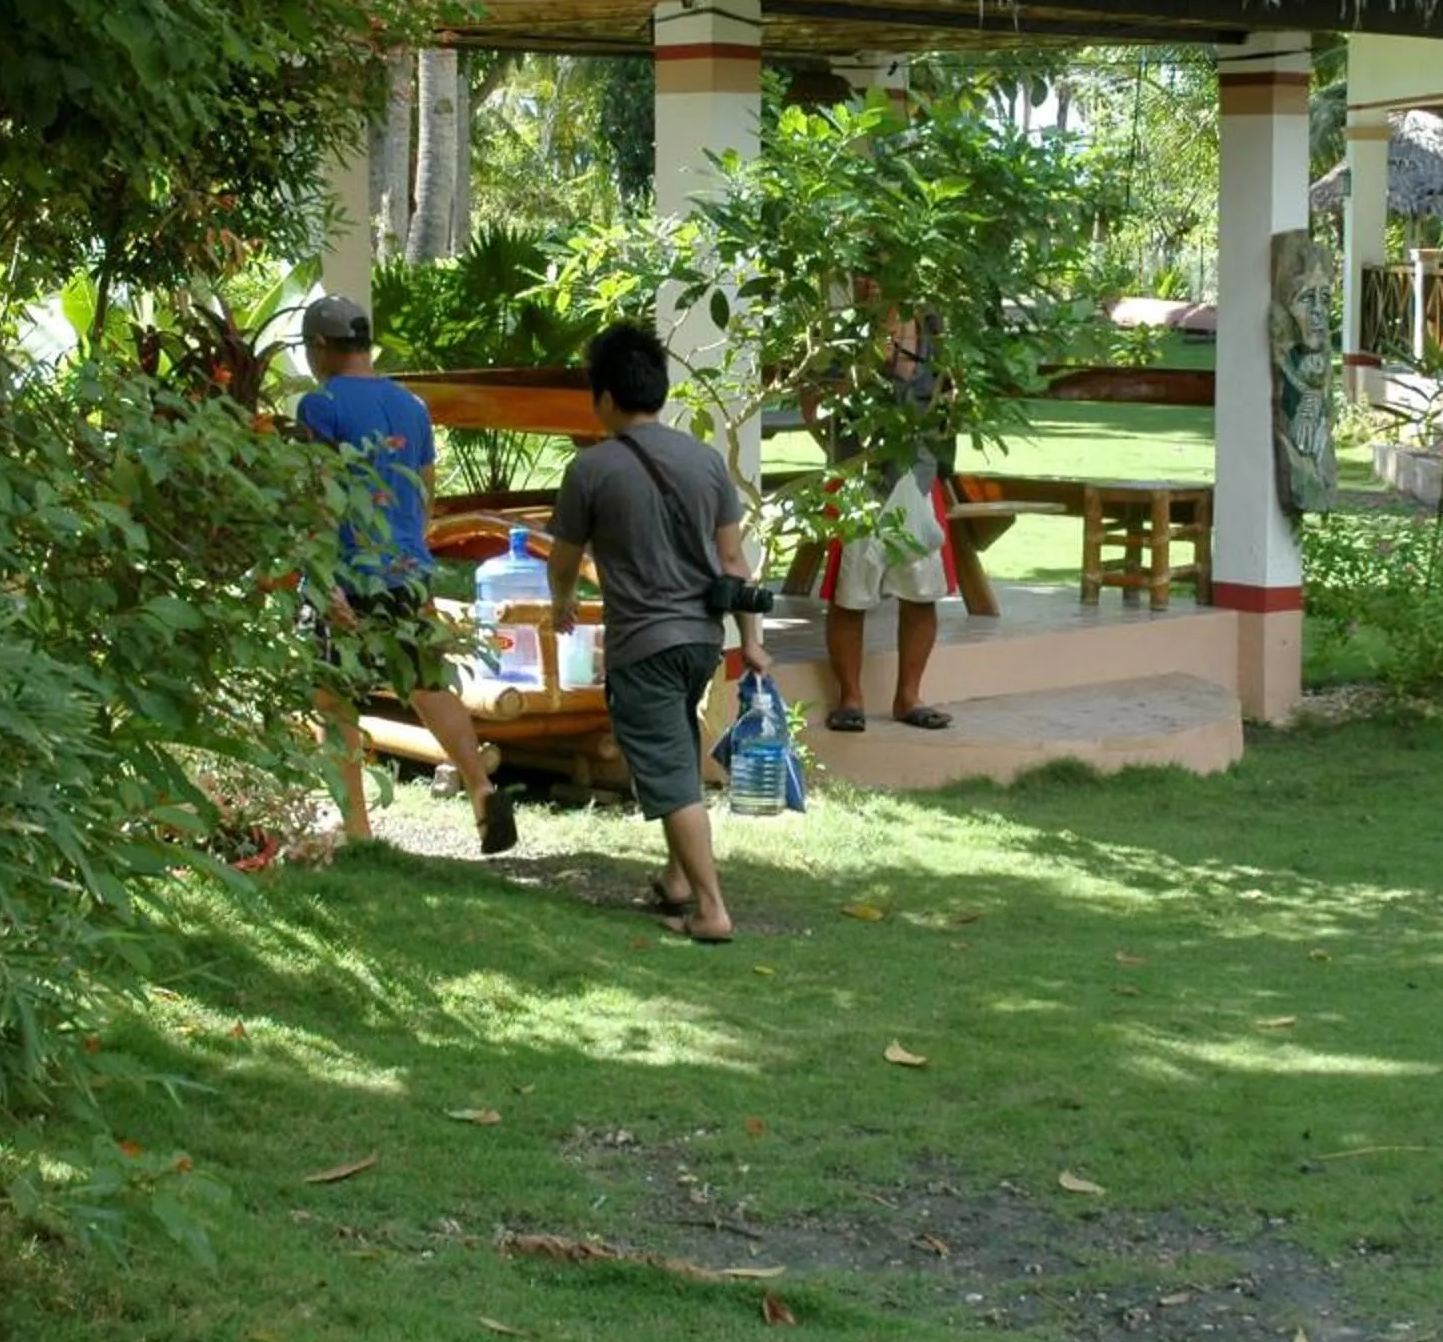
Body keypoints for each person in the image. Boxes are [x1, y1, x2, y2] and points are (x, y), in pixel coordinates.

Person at [546, 323, 773, 945]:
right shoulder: (704, 461)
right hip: (701, 640)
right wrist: (750, 639)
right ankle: (678, 878)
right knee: (676, 747)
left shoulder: (591, 469)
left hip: (642, 644)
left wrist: (561, 602)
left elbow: (563, 558)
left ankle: (710, 908)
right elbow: (734, 564)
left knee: (671, 775)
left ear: (606, 398)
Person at [294, 293, 516, 856]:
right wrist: (411, 554)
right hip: (408, 568)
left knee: (332, 695)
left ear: (321, 347)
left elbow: (319, 498)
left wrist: (323, 577)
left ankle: (357, 829)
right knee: (425, 680)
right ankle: (481, 786)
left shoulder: (319, 407)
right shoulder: (412, 407)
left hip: (345, 572)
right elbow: (424, 493)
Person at [814, 300, 953, 735]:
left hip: (918, 472)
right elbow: (814, 403)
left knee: (922, 591)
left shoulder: (935, 329)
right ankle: (850, 698)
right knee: (849, 593)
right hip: (860, 476)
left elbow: (952, 398)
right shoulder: (843, 330)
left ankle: (909, 697)